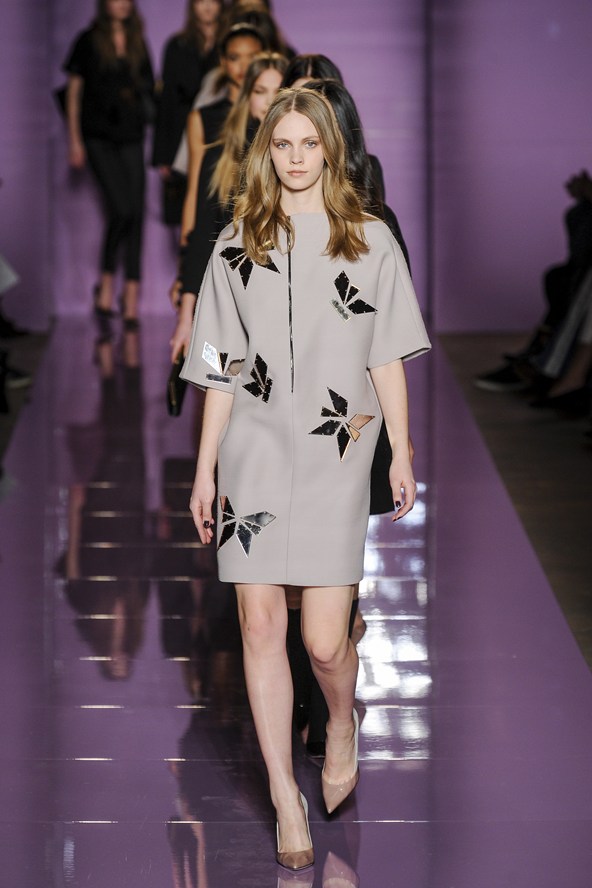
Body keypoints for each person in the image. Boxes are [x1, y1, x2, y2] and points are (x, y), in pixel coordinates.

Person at [180, 88, 430, 869]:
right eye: (281, 144)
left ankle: (341, 719)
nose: (294, 157)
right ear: (266, 151)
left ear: (331, 149)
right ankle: (285, 797)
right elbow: (219, 370)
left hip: (336, 452)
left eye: (308, 144)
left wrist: (403, 450)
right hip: (252, 453)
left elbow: (385, 355)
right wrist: (204, 469)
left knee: (324, 644)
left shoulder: (369, 239)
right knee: (260, 627)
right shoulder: (235, 244)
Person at [170, 51, 288, 362]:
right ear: (247, 97)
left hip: (288, 300)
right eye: (260, 91)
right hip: (233, 299)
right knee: (223, 384)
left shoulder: (299, 162)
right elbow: (203, 237)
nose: (268, 101)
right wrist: (186, 315)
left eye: (278, 92)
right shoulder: (220, 158)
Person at [64, 0, 154, 327]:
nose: (123, 3)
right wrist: (74, 140)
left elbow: (148, 89)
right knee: (122, 209)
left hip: (131, 135)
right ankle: (105, 284)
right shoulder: (88, 40)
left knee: (137, 214)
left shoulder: (137, 41)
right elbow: (74, 92)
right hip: (97, 137)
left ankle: (130, 297)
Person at [152, 0, 224, 227]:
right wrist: (164, 155)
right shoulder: (177, 45)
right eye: (202, 1)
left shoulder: (230, 43)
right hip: (181, 130)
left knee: (218, 203)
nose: (208, 7)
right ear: (192, 6)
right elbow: (167, 100)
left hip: (220, 129)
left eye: (213, 1)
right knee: (185, 205)